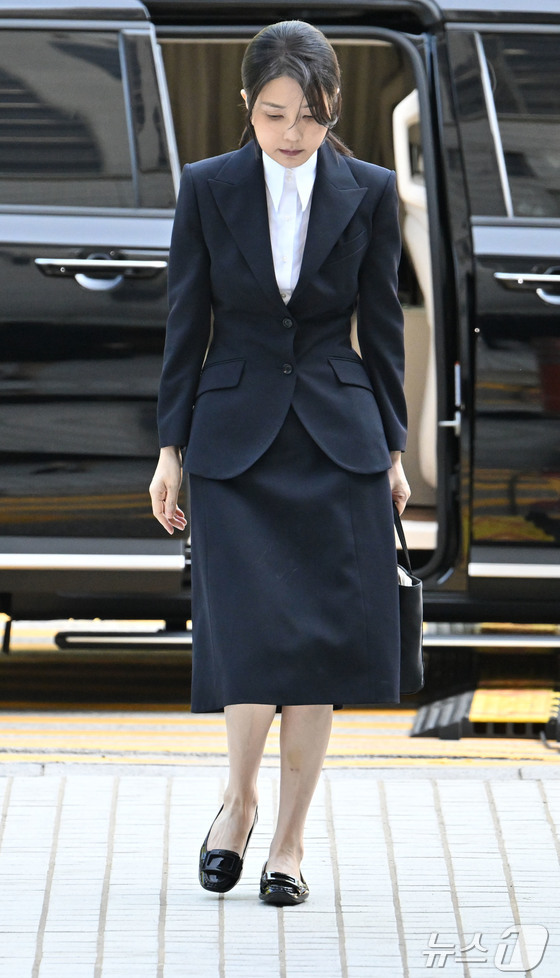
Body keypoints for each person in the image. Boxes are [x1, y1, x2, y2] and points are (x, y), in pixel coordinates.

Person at [150, 20, 410, 906]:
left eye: (310, 115)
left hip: (337, 440)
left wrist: (393, 450)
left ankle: (290, 845)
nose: (292, 133)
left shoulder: (371, 191)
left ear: (333, 109)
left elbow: (382, 329)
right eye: (274, 114)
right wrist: (170, 449)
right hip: (234, 441)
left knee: (317, 649)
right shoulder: (207, 186)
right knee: (250, 640)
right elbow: (186, 322)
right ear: (247, 106)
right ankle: (239, 802)